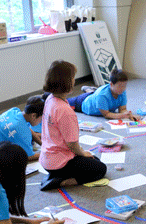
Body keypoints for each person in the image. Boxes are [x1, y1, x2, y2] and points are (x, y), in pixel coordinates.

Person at [39, 60, 108, 191]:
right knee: (100, 169)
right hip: (60, 163)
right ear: (67, 82)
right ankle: (62, 181)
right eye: (72, 78)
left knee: (95, 160)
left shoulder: (50, 99)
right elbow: (72, 144)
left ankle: (57, 175)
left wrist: (84, 154)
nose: (74, 81)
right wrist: (83, 153)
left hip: (47, 160)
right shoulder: (65, 111)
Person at [66, 68, 140, 121]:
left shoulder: (121, 91)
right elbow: (107, 115)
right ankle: (91, 91)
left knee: (96, 94)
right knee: (65, 103)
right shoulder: (102, 95)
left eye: (124, 86)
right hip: (83, 103)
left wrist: (129, 115)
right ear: (111, 84)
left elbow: (122, 109)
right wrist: (122, 115)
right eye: (120, 86)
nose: (123, 88)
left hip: (95, 97)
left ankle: (90, 90)